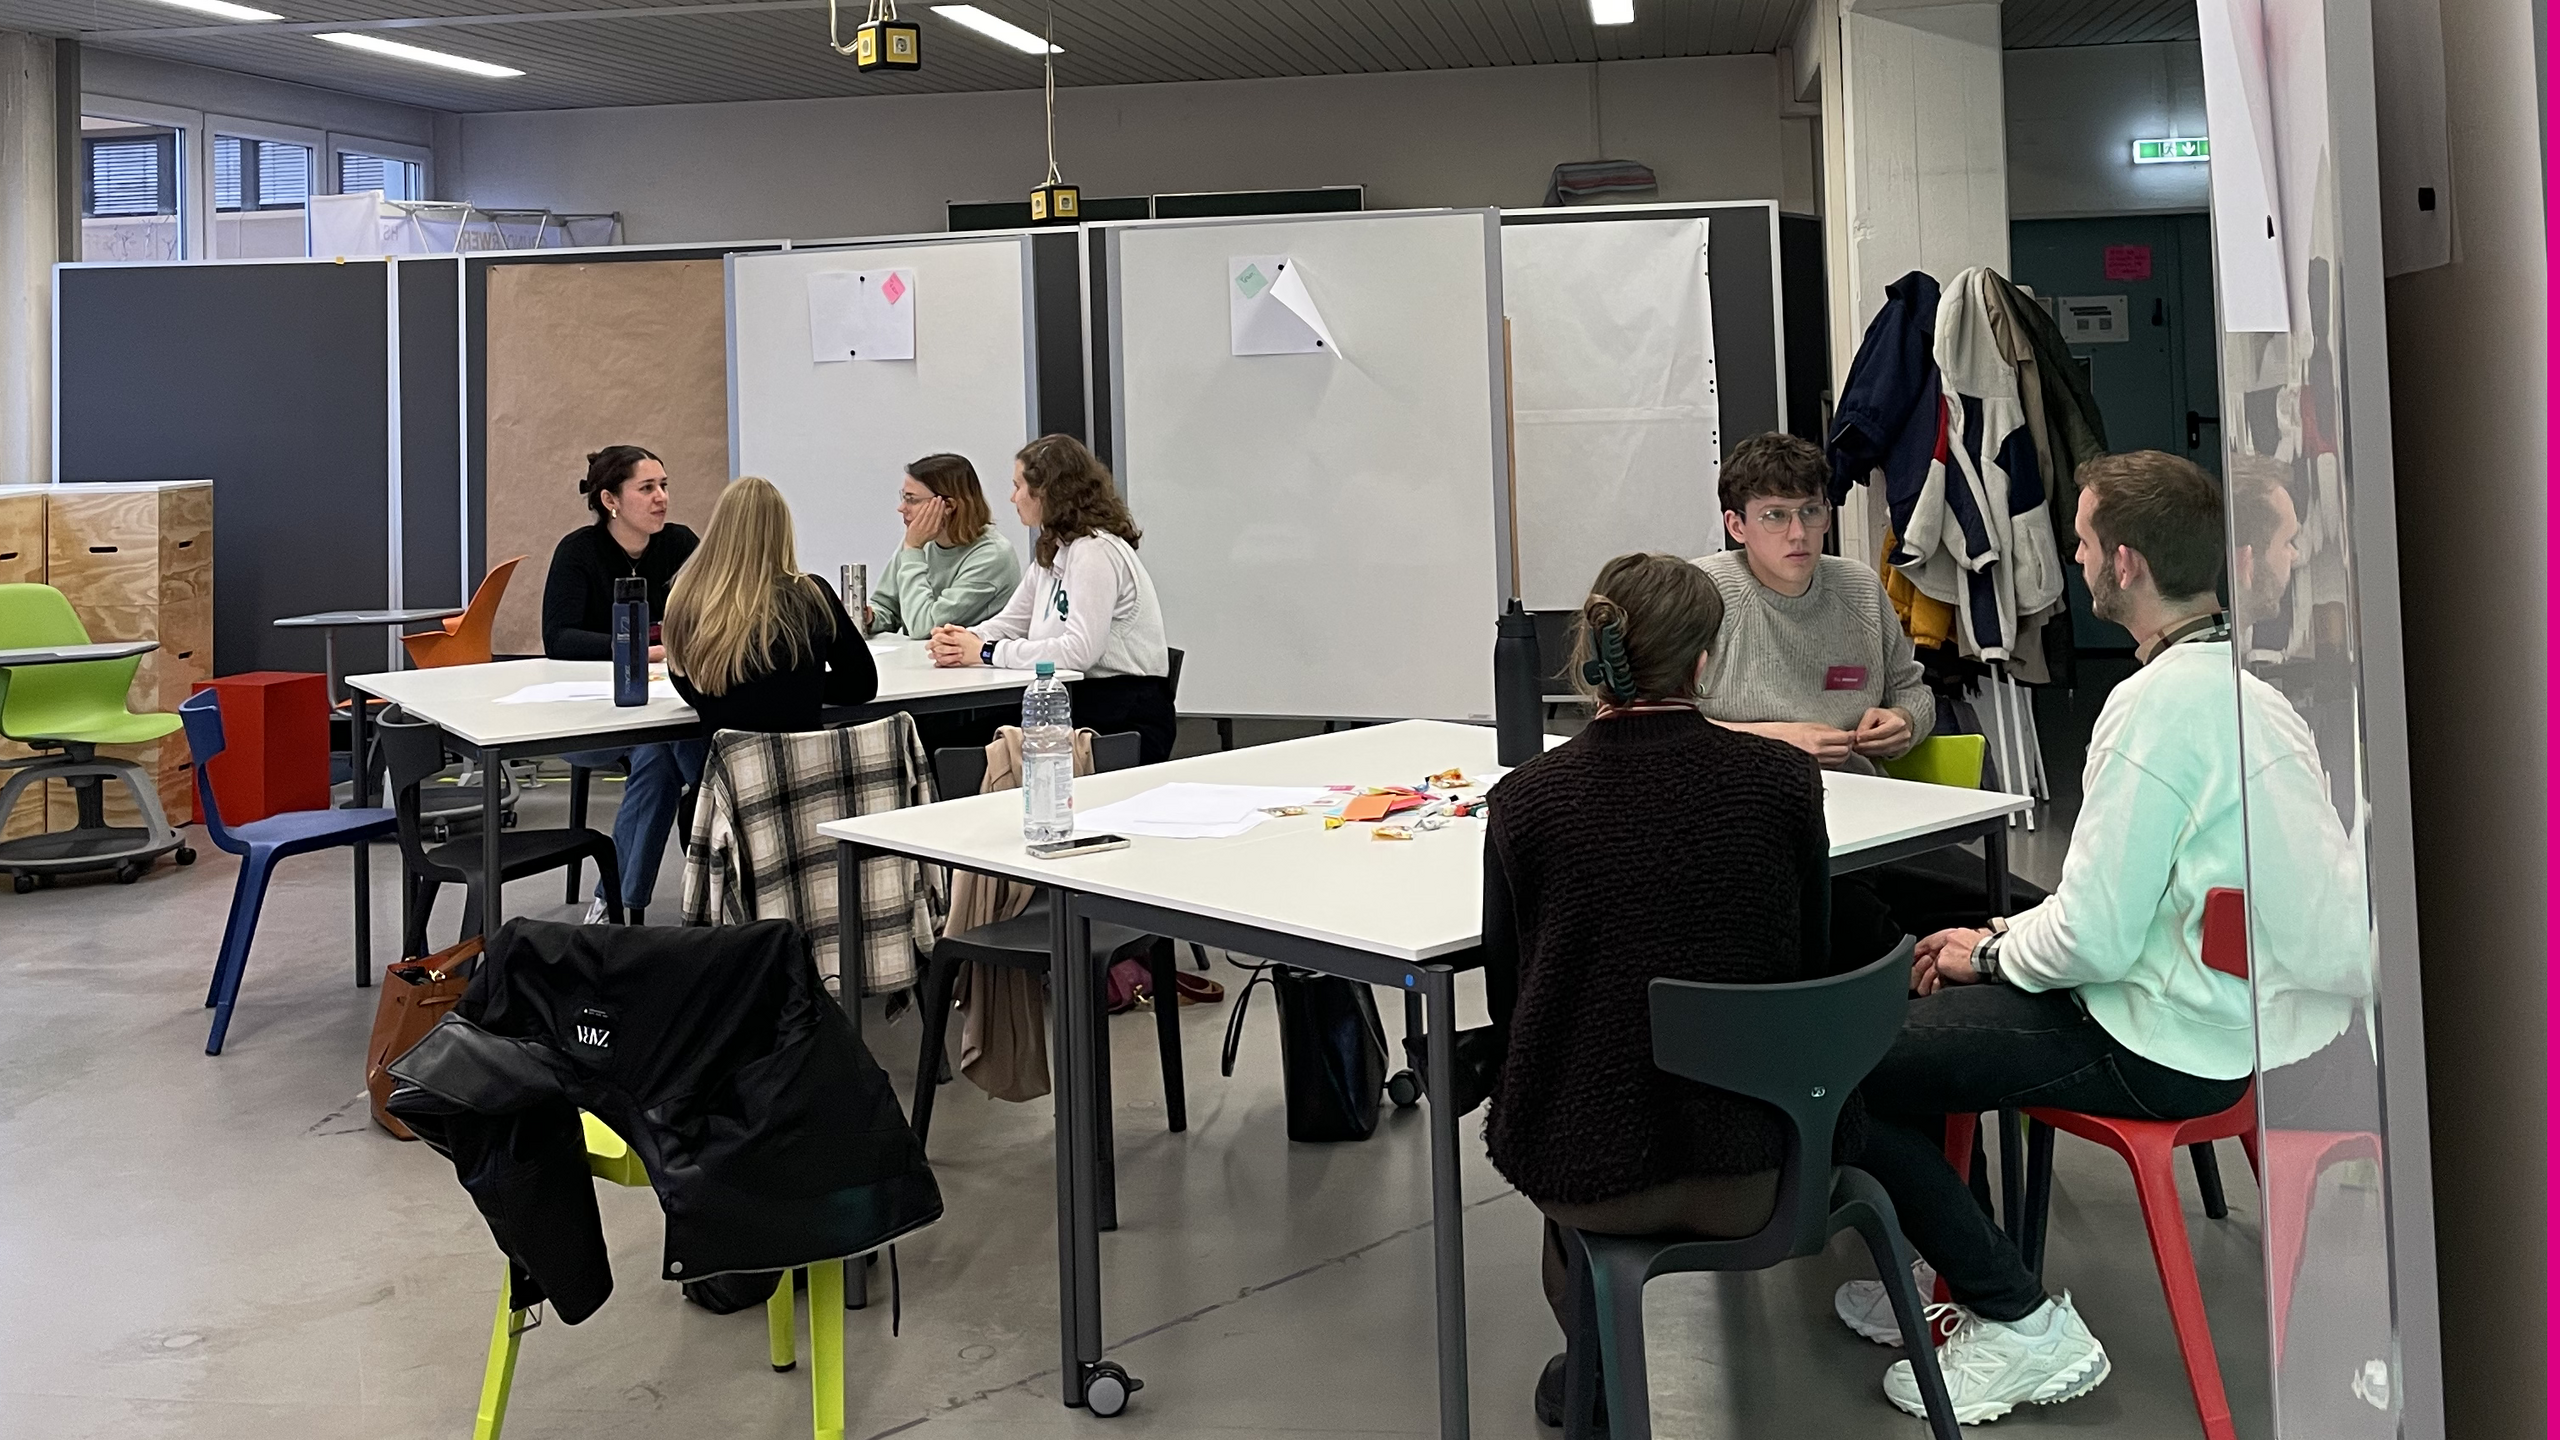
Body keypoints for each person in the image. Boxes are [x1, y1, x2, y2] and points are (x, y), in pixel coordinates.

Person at [1831, 450, 2312, 1425]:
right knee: (1925, 1015)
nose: (2075, 557)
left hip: (2151, 1044)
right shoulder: (2249, 695)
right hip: (2218, 1026)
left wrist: (1986, 952)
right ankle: (1947, 1275)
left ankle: (2010, 1316)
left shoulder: (2150, 710)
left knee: (1847, 1065)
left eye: (2085, 540)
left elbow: (2094, 936)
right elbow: (2123, 906)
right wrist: (1997, 935)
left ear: (2126, 563)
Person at [1478, 552, 1838, 1429]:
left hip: (1590, 1176)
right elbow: (1812, 965)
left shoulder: (1525, 802)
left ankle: (1592, 1369)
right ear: (1705, 661)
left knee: (1564, 1092)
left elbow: (1509, 1002)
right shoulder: (1784, 783)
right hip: (1763, 1165)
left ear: (1592, 654)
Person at [1691, 432, 1934, 772]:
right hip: (1740, 790)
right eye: (1775, 515)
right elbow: (1653, 722)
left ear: (1828, 516)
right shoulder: (1701, 592)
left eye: (1810, 511)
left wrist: (1903, 719)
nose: (1798, 533)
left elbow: (1911, 691)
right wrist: (1773, 742)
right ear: (1736, 526)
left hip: (1856, 789)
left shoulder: (1860, 588)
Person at [926, 435, 1176, 763]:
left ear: (1045, 491)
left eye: (1018, 486)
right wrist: (963, 640)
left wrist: (986, 652)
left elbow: (1078, 652)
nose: (1012, 497)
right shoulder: (1056, 548)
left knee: (947, 751)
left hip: (1121, 716)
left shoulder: (1094, 551)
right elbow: (1012, 622)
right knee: (941, 742)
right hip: (1074, 702)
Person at [542, 444, 704, 926]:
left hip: (662, 706)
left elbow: (709, 610)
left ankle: (616, 905)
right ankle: (709, 817)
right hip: (591, 716)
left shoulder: (680, 544)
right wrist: (637, 649)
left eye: (664, 486)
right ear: (610, 500)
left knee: (658, 755)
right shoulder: (578, 552)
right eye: (647, 488)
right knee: (671, 752)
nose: (661, 498)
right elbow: (559, 638)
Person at [662, 475, 878, 734]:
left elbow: (688, 688)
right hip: (799, 757)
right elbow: (861, 684)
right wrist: (800, 686)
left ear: (719, 528)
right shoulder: (810, 594)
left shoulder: (686, 596)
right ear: (782, 531)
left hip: (729, 757)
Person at [863, 453, 1023, 640]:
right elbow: (888, 607)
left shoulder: (992, 555)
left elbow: (923, 628)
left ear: (948, 506)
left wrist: (913, 550)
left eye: (912, 499)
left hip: (970, 658)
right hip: (924, 656)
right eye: (904, 497)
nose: (902, 508)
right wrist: (871, 618)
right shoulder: (920, 541)